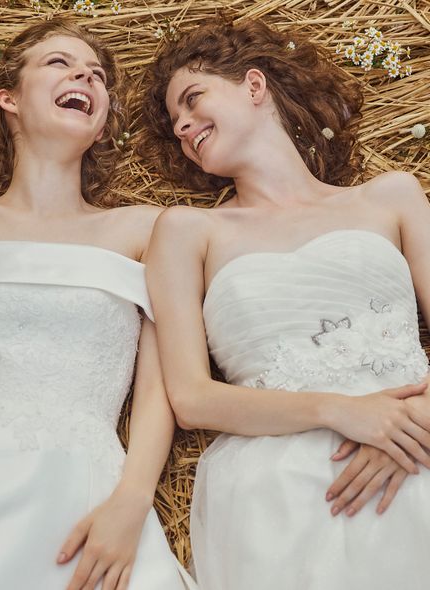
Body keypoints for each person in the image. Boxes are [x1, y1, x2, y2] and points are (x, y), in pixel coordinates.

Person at [142, 19, 430, 590]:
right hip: (281, 483)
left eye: (193, 99)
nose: (183, 126)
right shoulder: (186, 232)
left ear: (254, 86)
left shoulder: (391, 197)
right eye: (175, 124)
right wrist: (339, 411)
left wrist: (413, 423)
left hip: (417, 448)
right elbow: (192, 398)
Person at [0, 19, 195, 590]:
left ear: (101, 127)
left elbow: (160, 388)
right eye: (59, 63)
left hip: (96, 496)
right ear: (9, 98)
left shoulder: (147, 230)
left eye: (96, 75)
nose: (85, 77)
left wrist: (131, 502)